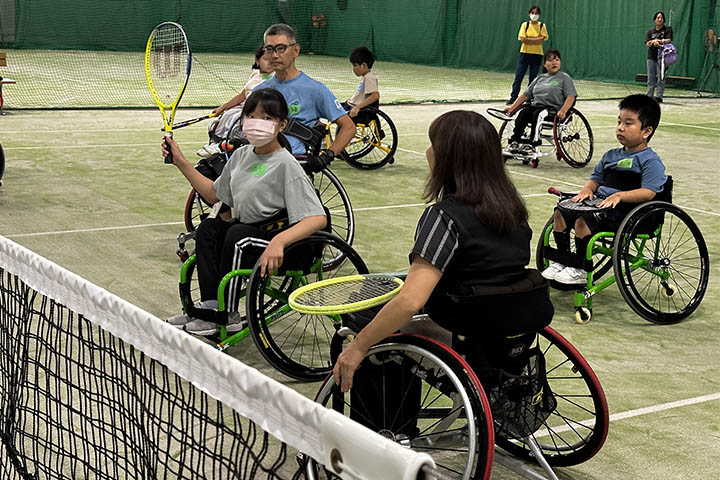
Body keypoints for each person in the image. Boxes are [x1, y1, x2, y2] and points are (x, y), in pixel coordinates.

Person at [332, 110, 554, 392]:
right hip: (508, 323)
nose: (428, 150)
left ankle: (385, 430)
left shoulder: (444, 217)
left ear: (449, 159)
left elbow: (411, 301)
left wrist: (359, 347)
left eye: (433, 144)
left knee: (362, 319)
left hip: (462, 325)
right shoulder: (513, 209)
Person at [165, 88, 328, 335]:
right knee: (209, 229)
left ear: (281, 124)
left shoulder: (286, 164)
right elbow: (214, 195)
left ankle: (226, 315)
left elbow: (318, 218)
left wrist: (279, 242)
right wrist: (181, 161)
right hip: (250, 233)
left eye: (266, 118)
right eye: (250, 115)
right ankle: (209, 306)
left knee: (237, 235)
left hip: (286, 244)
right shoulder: (241, 155)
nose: (255, 123)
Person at [541, 94, 666, 285]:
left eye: (628, 123)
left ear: (646, 131)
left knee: (583, 220)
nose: (620, 128)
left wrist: (620, 196)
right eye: (619, 122)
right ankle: (562, 260)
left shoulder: (650, 161)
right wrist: (586, 190)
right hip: (600, 204)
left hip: (626, 212)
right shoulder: (610, 156)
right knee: (561, 212)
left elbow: (648, 192)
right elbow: (595, 179)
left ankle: (580, 268)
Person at [255, 23, 355, 171]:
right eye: (269, 49)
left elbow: (349, 127)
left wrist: (326, 157)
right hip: (260, 164)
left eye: (281, 48)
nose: (274, 55)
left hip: (293, 166)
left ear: (295, 50)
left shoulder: (316, 90)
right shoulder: (260, 91)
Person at [196, 46, 274, 158]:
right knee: (224, 117)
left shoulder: (274, 78)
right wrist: (222, 108)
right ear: (257, 60)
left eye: (273, 61)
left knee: (235, 120)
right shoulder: (255, 74)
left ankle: (221, 147)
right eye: (266, 60)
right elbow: (242, 96)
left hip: (257, 112)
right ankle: (216, 144)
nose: (270, 64)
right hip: (243, 107)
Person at [504, 48, 576, 153]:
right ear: (545, 65)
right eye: (550, 60)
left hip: (553, 110)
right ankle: (516, 140)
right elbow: (526, 95)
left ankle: (532, 144)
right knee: (524, 112)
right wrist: (512, 108)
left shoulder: (565, 78)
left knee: (538, 114)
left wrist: (563, 111)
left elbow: (571, 96)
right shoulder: (539, 78)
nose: (554, 62)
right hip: (536, 106)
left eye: (556, 59)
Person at [507, 5, 549, 105]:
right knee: (519, 76)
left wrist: (529, 40)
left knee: (533, 79)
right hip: (525, 54)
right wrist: (536, 40)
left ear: (539, 15)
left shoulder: (542, 26)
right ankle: (513, 98)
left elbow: (543, 38)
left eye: (536, 13)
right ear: (529, 14)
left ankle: (530, 99)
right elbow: (522, 39)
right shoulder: (525, 25)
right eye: (533, 13)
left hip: (537, 55)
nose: (534, 15)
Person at [342, 46, 380, 124]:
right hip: (351, 105)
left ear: (363, 65)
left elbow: (375, 96)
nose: (353, 69)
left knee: (330, 110)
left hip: (357, 110)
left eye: (355, 65)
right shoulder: (366, 77)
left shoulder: (369, 78)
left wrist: (357, 108)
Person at [645, 11, 673, 103]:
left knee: (661, 77)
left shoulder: (668, 29)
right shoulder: (650, 31)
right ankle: (649, 95)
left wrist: (659, 41)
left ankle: (659, 96)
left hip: (663, 56)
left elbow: (669, 40)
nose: (659, 19)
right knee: (651, 78)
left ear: (664, 20)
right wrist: (653, 42)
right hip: (651, 57)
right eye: (658, 18)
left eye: (661, 18)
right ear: (654, 20)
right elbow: (647, 43)